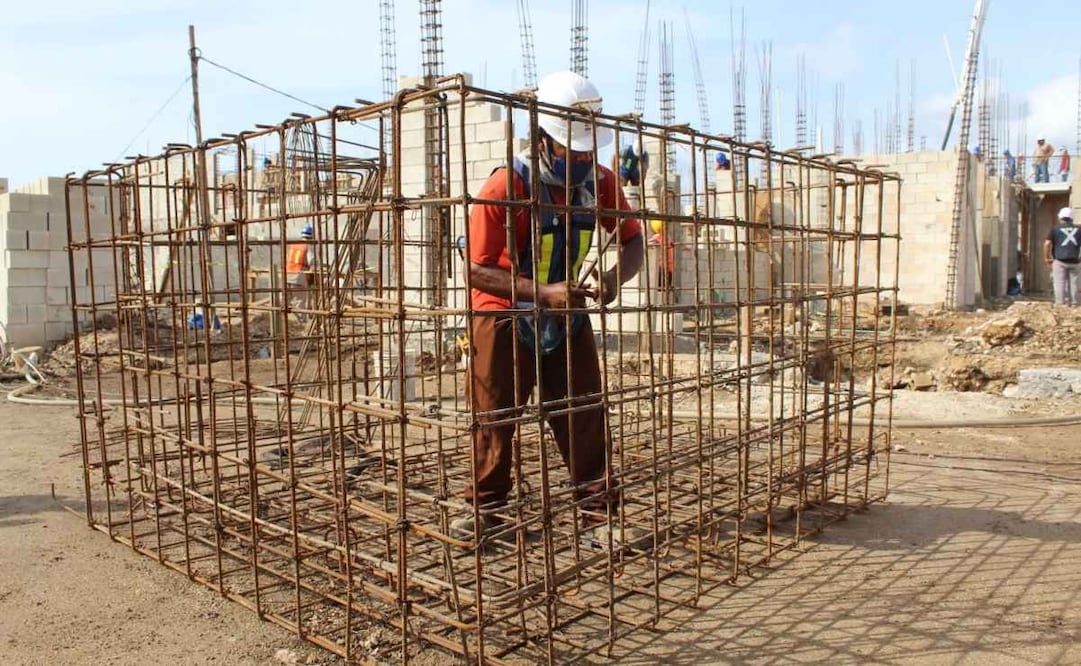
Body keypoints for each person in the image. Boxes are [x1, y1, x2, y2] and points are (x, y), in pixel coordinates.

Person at [457, 70, 646, 548]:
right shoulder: (505, 187)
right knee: (494, 415)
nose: (584, 157)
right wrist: (541, 293)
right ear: (544, 139)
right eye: (573, 148)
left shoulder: (600, 183)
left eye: (588, 149)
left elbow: (632, 240)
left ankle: (597, 515)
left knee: (583, 410)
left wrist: (612, 278)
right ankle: (485, 510)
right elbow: (476, 271)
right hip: (501, 315)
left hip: (566, 314)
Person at [1044, 207, 1080, 306]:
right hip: (1075, 261)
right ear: (1072, 218)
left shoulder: (1055, 229)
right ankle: (1074, 304)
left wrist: (1046, 258)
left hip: (1059, 261)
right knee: (1074, 284)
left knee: (1059, 283)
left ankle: (1060, 304)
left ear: (1061, 218)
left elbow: (1047, 244)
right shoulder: (1079, 229)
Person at [286, 223, 315, 315]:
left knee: (287, 301)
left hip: (287, 275)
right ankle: (300, 323)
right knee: (300, 301)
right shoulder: (307, 246)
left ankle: (288, 322)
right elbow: (312, 262)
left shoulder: (294, 245)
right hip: (298, 276)